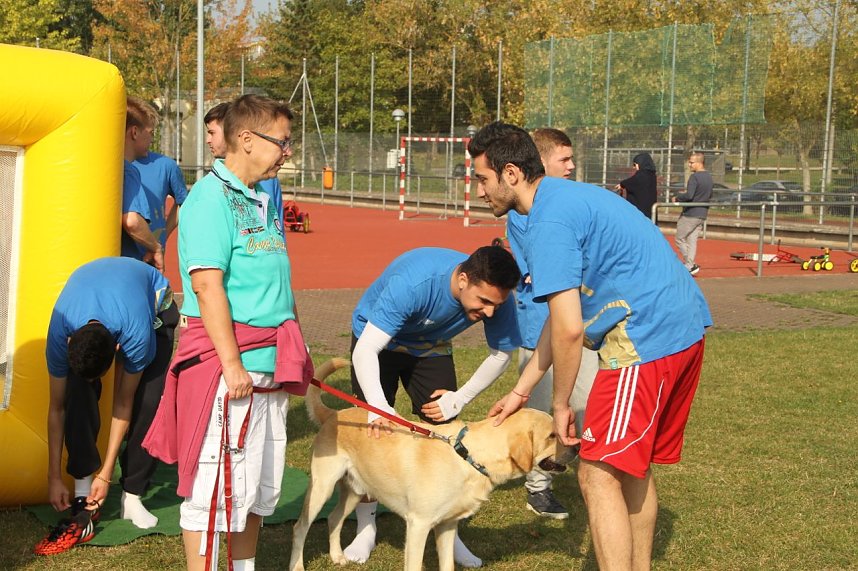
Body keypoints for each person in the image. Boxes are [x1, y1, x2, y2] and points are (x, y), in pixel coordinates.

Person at [470, 122, 712, 571]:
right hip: (682, 330)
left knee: (597, 474)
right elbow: (558, 318)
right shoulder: (555, 202)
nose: (478, 191)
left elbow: (568, 330)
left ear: (511, 173)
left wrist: (560, 403)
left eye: (482, 179)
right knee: (631, 467)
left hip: (645, 340)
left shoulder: (549, 219)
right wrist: (522, 391)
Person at [143, 94, 310, 571]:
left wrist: (294, 345)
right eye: (282, 142)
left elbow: (278, 283)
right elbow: (206, 285)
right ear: (247, 139)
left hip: (270, 364)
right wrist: (232, 364)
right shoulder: (209, 199)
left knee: (256, 488)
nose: (287, 152)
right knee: (214, 489)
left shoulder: (262, 196)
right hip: (231, 370)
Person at [345, 245, 521, 569]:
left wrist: (460, 397)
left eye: (496, 305)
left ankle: (448, 531)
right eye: (483, 302)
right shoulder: (414, 283)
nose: (490, 313)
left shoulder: (497, 297)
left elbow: (501, 354)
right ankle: (366, 526)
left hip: (429, 346)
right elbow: (365, 350)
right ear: (463, 280)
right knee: (373, 435)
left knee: (446, 435)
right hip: (375, 341)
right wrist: (378, 407)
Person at [42, 257, 179, 554]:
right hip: (101, 294)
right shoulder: (60, 331)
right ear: (68, 343)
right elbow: (56, 408)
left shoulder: (136, 335)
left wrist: (106, 475)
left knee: (148, 399)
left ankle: (132, 494)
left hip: (152, 304)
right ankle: (82, 491)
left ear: (118, 349)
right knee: (77, 390)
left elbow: (123, 403)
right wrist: (53, 477)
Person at [506, 127, 597, 520]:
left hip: (579, 330)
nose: (572, 166)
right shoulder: (525, 213)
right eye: (564, 159)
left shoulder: (568, 203)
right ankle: (538, 487)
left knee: (588, 403)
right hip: (540, 330)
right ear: (541, 162)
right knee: (540, 414)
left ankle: (582, 469)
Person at [205, 101, 285, 226]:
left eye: (212, 133)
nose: (208, 140)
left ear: (229, 131)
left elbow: (274, 229)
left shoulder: (265, 177)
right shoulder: (208, 188)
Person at [121, 97, 165, 272]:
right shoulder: (128, 171)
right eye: (150, 133)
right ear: (134, 132)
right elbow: (132, 221)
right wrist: (155, 247)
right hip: (128, 268)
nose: (152, 140)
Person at [131, 150, 189, 253]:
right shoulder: (110, 165)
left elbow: (182, 202)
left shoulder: (166, 165)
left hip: (152, 256)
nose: (151, 140)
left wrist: (161, 237)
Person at [673, 152, 713, 276]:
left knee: (679, 239)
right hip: (702, 213)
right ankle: (690, 265)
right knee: (692, 240)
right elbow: (709, 194)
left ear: (699, 163)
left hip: (691, 213)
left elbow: (689, 195)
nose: (689, 165)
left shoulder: (694, 177)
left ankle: (690, 263)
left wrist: (678, 197)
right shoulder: (709, 177)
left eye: (691, 162)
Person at [616, 152, 658, 218]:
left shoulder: (642, 175)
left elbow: (632, 182)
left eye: (635, 164)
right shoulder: (651, 175)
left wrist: (622, 184)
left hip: (641, 211)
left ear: (640, 163)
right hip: (649, 210)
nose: (634, 167)